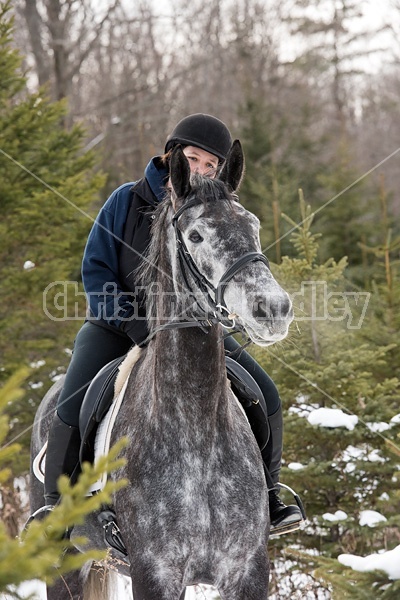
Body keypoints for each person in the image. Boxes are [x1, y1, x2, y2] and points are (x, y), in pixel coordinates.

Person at [31, 113, 303, 535]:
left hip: (192, 330)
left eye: (210, 165)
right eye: (193, 158)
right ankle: (56, 508)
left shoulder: (216, 212)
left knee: (264, 392)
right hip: (118, 327)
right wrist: (134, 322)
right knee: (74, 401)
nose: (200, 170)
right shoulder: (126, 200)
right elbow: (96, 272)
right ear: (173, 156)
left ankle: (268, 498)